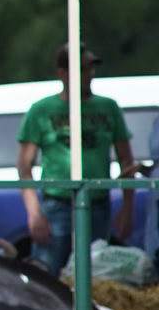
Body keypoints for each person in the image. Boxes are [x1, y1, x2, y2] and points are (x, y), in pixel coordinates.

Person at [16, 42, 134, 278]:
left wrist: (127, 208)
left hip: (98, 202)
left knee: (98, 274)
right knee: (49, 275)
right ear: (62, 73)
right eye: (82, 69)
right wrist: (34, 212)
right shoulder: (42, 110)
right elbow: (24, 165)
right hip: (56, 204)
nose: (88, 75)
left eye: (91, 69)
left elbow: (126, 160)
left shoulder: (108, 108)